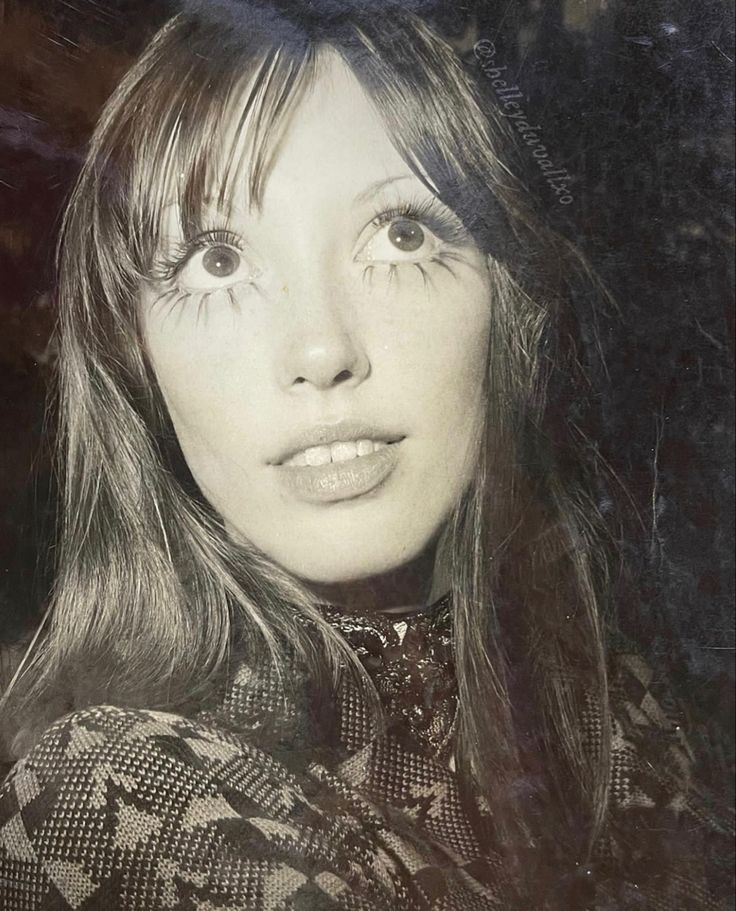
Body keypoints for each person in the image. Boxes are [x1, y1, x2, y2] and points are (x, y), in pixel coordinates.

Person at [0, 3, 732, 909]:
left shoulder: (628, 710)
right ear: (133, 354)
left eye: (402, 234)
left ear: (512, 302)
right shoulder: (117, 794)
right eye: (218, 260)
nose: (320, 350)